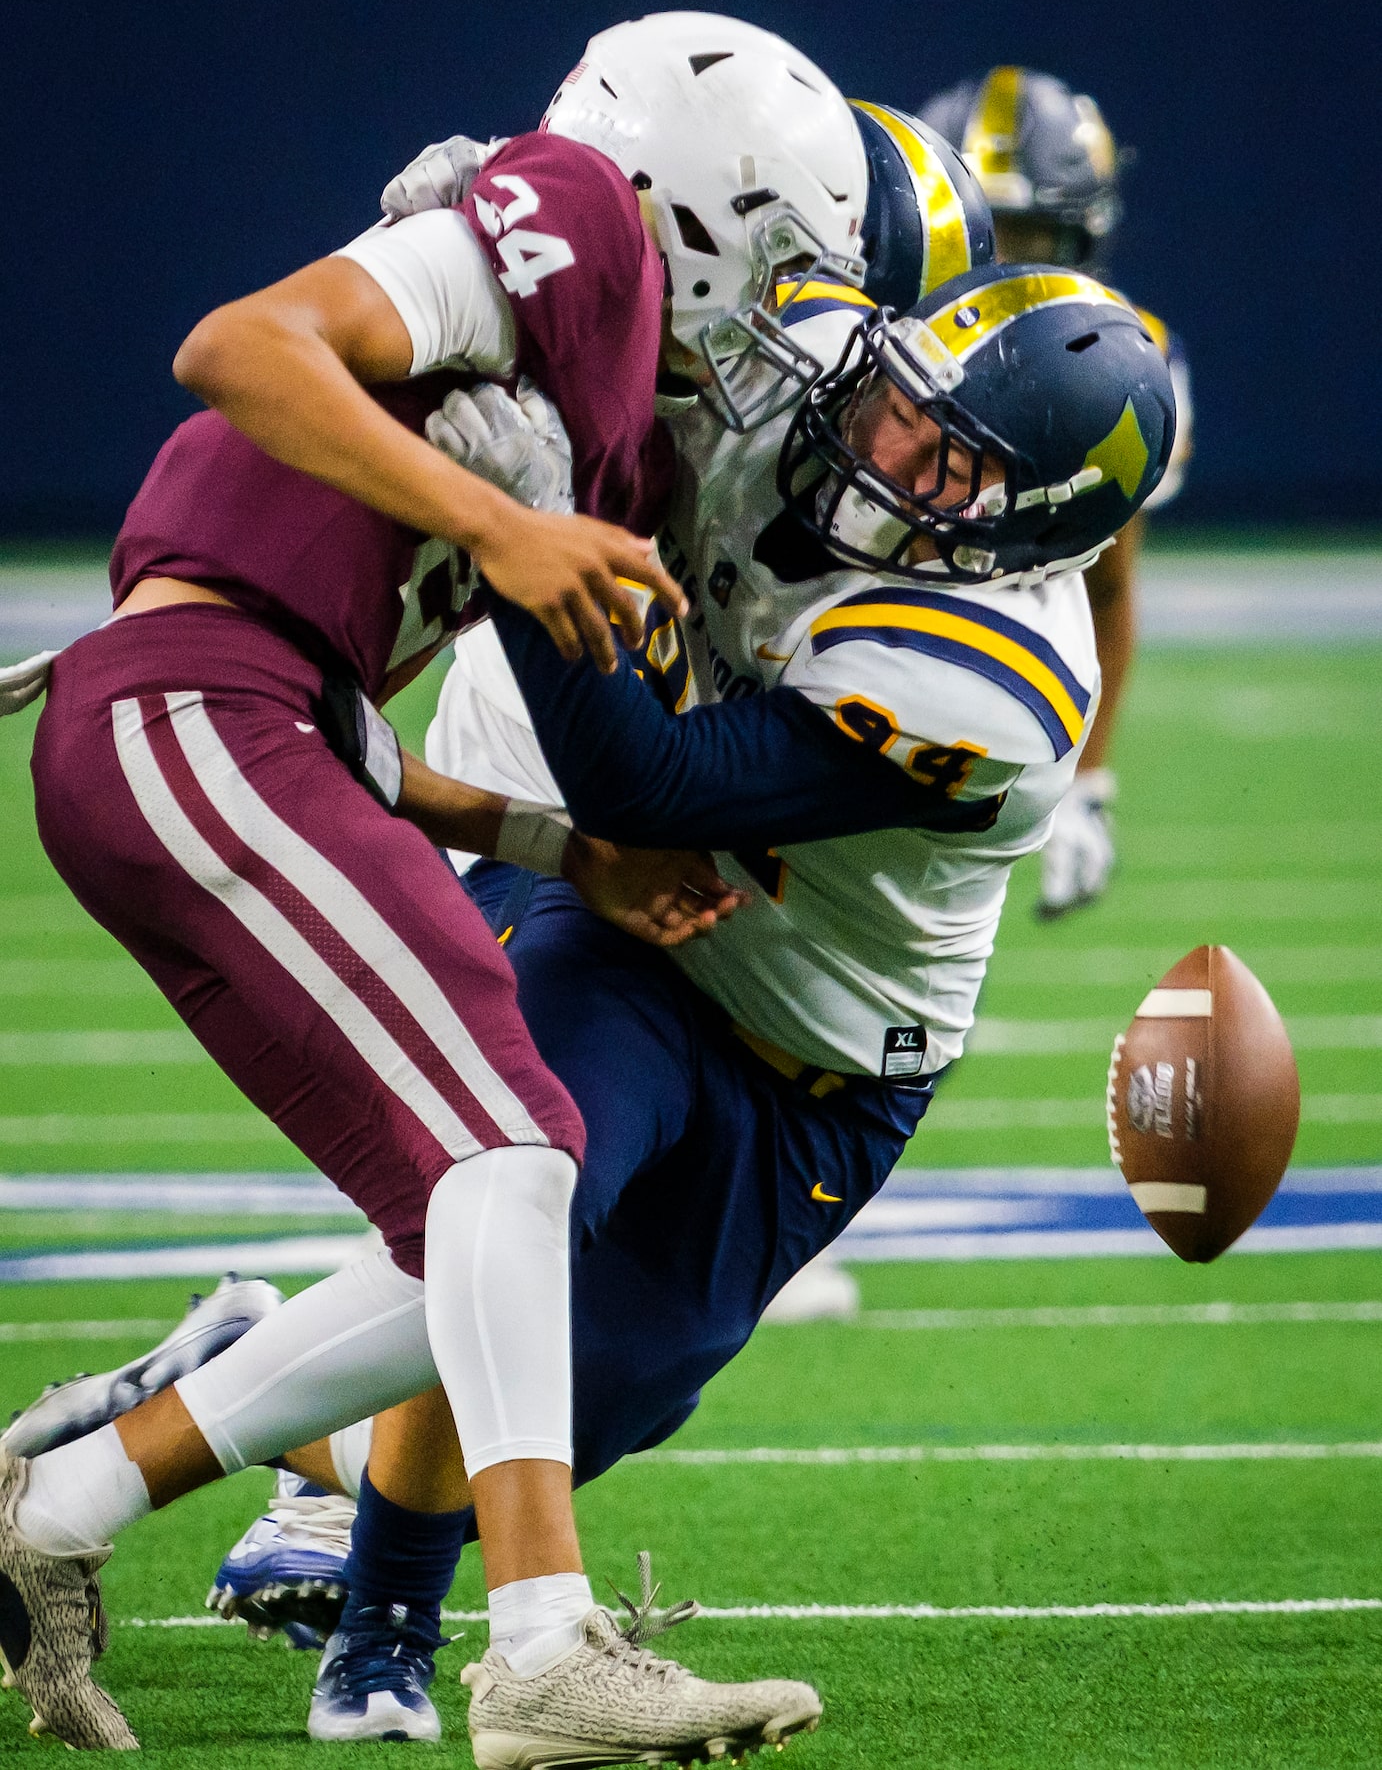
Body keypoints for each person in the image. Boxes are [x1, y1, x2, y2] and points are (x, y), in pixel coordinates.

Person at [13, 259, 1176, 1749]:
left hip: (822, 1045)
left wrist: (521, 539)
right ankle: (389, 1637)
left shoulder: (995, 681)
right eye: (893, 405)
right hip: (620, 920)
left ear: (1029, 529)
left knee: (572, 1392)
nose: (878, 453)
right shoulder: (806, 370)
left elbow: (663, 783)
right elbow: (674, 265)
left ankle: (241, 1397)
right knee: (507, 1207)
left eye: (942, 462)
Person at [0, 13, 868, 1762]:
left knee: (479, 1217)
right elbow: (238, 347)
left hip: (261, 724)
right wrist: (499, 529)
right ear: (690, 201)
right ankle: (543, 1645)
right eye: (768, 262)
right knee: (513, 1146)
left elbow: (353, 718)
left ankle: (59, 1500)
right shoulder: (576, 216)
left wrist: (570, 851)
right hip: (194, 712)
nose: (773, 318)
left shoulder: (617, 430)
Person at [919, 67, 1194, 915]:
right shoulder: (863, 336)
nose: (1000, 269)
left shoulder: (1117, 370)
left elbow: (1108, 584)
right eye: (986, 234)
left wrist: (1087, 784)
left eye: (1029, 238)